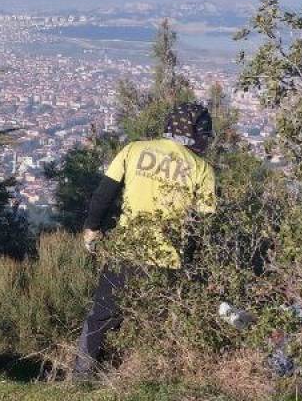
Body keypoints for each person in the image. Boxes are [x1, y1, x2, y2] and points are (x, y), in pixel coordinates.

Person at [72, 102, 218, 378]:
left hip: (125, 252)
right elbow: (202, 227)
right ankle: (151, 379)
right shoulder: (202, 169)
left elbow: (103, 195)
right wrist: (193, 266)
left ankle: (81, 378)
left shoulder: (134, 149)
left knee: (101, 317)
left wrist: (92, 229)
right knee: (160, 324)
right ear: (195, 133)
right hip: (169, 262)